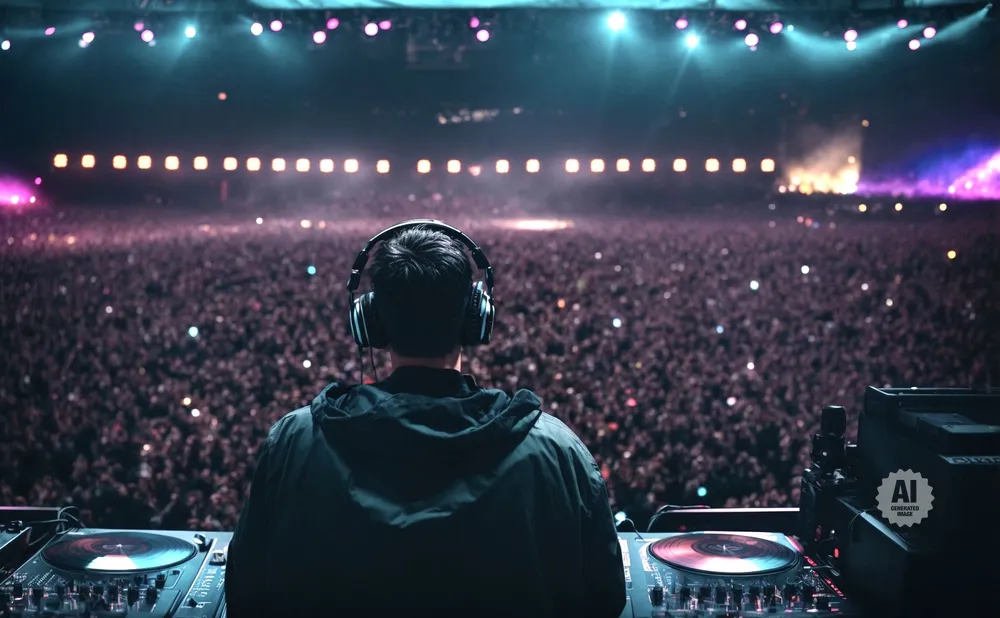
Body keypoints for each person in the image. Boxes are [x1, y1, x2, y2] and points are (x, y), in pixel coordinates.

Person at [225, 220, 626, 618]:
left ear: (371, 321)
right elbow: (604, 599)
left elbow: (245, 594)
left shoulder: (295, 440)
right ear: (476, 317)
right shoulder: (556, 449)